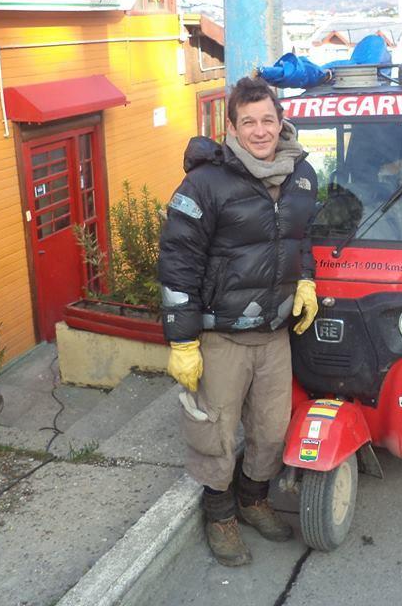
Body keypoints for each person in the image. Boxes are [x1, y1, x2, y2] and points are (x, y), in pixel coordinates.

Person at [158, 76, 319, 567]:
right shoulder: (205, 183)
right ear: (231, 126)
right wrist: (182, 341)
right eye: (248, 121)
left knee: (271, 430)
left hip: (274, 332)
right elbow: (177, 261)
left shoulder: (301, 174)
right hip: (222, 332)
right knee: (217, 431)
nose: (260, 130)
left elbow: (302, 237)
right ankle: (220, 514)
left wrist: (306, 279)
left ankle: (253, 500)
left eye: (267, 119)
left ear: (280, 120)